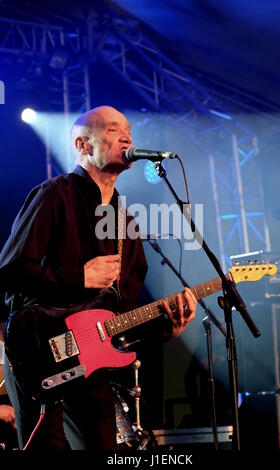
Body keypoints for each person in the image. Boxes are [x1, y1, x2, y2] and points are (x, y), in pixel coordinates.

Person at [0, 105, 197, 450]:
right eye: (112, 129)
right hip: (36, 352)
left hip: (90, 364)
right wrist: (78, 278)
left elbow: (120, 317)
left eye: (128, 130)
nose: (127, 137)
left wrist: (162, 328)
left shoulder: (126, 224)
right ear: (83, 145)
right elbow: (10, 272)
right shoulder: (53, 196)